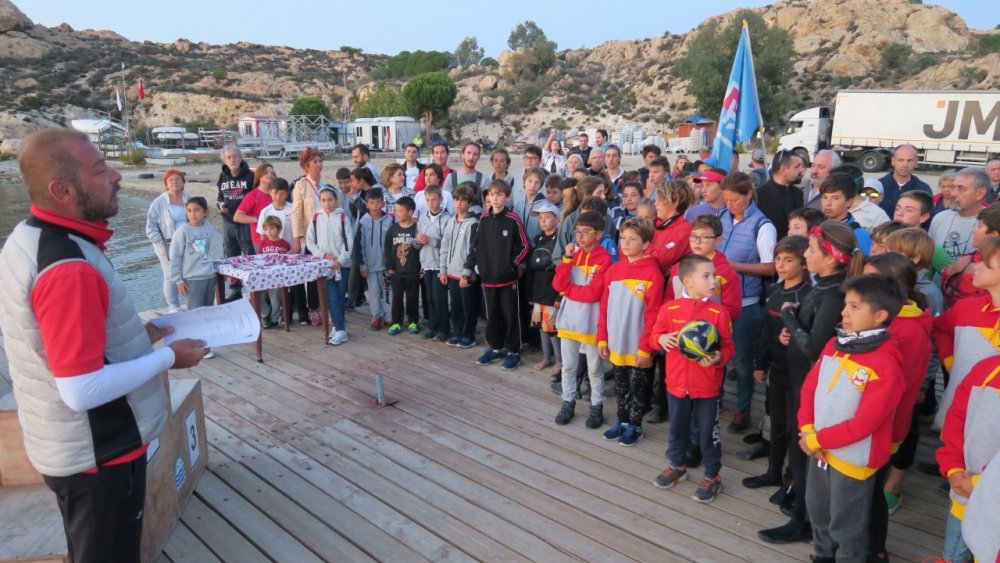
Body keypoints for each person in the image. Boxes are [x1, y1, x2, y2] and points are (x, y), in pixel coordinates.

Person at [0, 128, 206, 562]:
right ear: (63, 191)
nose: (116, 175)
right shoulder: (68, 267)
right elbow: (81, 388)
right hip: (99, 455)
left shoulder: (30, 236)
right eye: (99, 170)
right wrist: (168, 357)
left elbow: (60, 342)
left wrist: (136, 336)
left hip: (70, 446)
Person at [758, 221, 864, 545]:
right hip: (800, 379)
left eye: (812, 250)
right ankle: (801, 507)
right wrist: (791, 329)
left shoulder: (832, 294)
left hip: (811, 384)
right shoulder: (823, 287)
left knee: (804, 449)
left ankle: (804, 520)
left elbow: (816, 348)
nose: (806, 254)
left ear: (831, 257)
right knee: (797, 444)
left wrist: (790, 318)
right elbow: (811, 334)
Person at [798, 274, 904, 563]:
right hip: (819, 450)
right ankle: (823, 555)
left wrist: (816, 439)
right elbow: (810, 388)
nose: (844, 312)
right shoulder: (834, 345)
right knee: (818, 510)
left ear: (880, 316)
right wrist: (807, 429)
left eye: (855, 307)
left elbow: (865, 423)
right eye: (846, 304)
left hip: (853, 460)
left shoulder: (885, 364)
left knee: (847, 524)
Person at [861, 254, 931, 560]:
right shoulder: (891, 320)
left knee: (871, 494)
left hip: (882, 425)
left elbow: (897, 391)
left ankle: (874, 550)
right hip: (871, 422)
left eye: (869, 280)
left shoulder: (906, 330)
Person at [650, 254, 735, 503]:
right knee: (677, 428)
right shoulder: (669, 309)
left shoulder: (719, 312)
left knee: (708, 433)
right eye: (706, 276)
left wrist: (719, 357)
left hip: (707, 386)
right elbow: (654, 336)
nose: (713, 280)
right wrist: (660, 339)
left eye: (714, 275)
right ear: (687, 282)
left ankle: (712, 475)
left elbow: (729, 346)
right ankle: (677, 465)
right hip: (676, 384)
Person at [744, 236, 811, 490]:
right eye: (778, 259)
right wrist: (760, 364)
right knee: (777, 422)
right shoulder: (773, 290)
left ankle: (791, 479)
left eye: (788, 260)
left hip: (798, 372)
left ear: (804, 263)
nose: (781, 265)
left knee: (795, 426)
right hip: (777, 369)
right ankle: (773, 470)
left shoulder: (807, 296)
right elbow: (765, 331)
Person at [718, 172, 776, 434]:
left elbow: (771, 268)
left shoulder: (762, 226)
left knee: (742, 361)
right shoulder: (722, 217)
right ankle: (715, 399)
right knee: (716, 353)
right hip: (717, 300)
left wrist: (735, 266)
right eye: (726, 200)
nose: (730, 205)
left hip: (746, 303)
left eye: (734, 200)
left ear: (748, 196)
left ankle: (743, 410)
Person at [598, 217, 664, 445]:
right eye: (623, 238)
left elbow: (653, 316)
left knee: (638, 387)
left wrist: (646, 349)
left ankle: (635, 425)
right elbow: (604, 307)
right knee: (620, 385)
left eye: (632, 239)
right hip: (617, 341)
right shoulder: (614, 270)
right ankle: (622, 421)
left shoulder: (653, 274)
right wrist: (602, 338)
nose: (625, 243)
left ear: (646, 244)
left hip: (638, 345)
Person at [934, 354, 1000, 563]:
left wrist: (979, 484)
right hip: (965, 492)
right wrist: (953, 468)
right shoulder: (986, 369)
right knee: (954, 555)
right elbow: (956, 420)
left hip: (988, 499)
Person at [552, 210, 614, 426]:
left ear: (599, 234)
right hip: (569, 319)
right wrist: (566, 259)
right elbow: (558, 284)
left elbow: (593, 293)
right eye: (577, 232)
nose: (580, 237)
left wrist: (568, 291)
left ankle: (596, 406)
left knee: (595, 369)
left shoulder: (604, 259)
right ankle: (567, 401)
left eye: (586, 232)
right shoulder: (573, 256)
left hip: (591, 322)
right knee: (568, 366)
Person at [932, 237, 1000, 431]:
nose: (975, 267)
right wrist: (949, 361)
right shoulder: (966, 308)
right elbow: (940, 328)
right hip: (954, 415)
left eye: (985, 263)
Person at [469, 180, 529, 370]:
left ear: (507, 197)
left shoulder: (513, 219)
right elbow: (476, 245)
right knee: (492, 314)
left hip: (508, 278)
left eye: (499, 194)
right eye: (492, 195)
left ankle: (513, 351)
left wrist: (512, 265)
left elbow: (524, 246)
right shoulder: (484, 219)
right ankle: (495, 347)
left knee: (510, 315)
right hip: (488, 278)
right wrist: (479, 266)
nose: (495, 198)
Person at [306, 187, 354, 346]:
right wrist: (323, 255)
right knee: (332, 297)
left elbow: (348, 242)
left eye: (330, 200)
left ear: (336, 200)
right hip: (325, 266)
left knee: (338, 297)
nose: (327, 203)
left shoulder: (342, 217)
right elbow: (310, 241)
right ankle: (340, 328)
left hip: (342, 266)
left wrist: (340, 261)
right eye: (324, 200)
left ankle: (340, 328)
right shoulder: (316, 218)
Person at [291, 148, 334, 324]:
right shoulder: (301, 185)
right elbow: (296, 213)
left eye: (320, 161)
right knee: (312, 273)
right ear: (306, 165)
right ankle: (314, 308)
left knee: (327, 272)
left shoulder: (325, 185)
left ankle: (327, 307)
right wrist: (296, 239)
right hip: (309, 237)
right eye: (314, 161)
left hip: (325, 235)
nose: (318, 164)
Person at [439, 184, 480, 348]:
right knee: (455, 305)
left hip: (465, 275)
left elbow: (474, 251)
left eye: (462, 201)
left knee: (468, 306)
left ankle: (469, 335)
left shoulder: (473, 223)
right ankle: (457, 332)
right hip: (451, 272)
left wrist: (466, 274)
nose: (458, 204)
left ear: (469, 203)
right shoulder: (450, 222)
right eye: (456, 200)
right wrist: (443, 270)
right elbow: (444, 247)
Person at [169, 197, 219, 328]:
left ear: (205, 212)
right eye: (189, 210)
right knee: (195, 314)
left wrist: (217, 270)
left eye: (197, 210)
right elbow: (175, 257)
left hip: (210, 276)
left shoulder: (209, 227)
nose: (193, 214)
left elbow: (213, 251)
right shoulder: (182, 231)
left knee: (208, 312)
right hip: (192, 279)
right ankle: (196, 338)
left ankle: (207, 339)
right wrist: (178, 280)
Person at [145, 169, 189, 313]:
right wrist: (160, 243)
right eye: (171, 180)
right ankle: (173, 306)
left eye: (178, 179)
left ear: (183, 182)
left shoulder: (188, 199)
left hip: (189, 243)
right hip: (167, 244)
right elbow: (150, 227)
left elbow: (199, 217)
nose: (175, 182)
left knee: (190, 272)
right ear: (166, 184)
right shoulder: (158, 203)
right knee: (170, 275)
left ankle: (191, 302)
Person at [526, 202, 562, 375]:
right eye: (541, 218)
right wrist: (530, 294)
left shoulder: (560, 241)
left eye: (547, 217)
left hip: (551, 291)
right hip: (538, 290)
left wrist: (559, 296)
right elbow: (530, 269)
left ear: (557, 219)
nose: (543, 221)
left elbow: (562, 271)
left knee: (552, 329)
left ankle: (560, 361)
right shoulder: (537, 239)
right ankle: (546, 357)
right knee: (541, 326)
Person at [930, 166, 990, 261]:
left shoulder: (991, 223)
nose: (953, 193)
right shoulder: (939, 218)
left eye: (961, 189)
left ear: (980, 193)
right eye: (953, 187)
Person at [417, 185, 452, 342]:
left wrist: (431, 240)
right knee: (429, 297)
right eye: (428, 200)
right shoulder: (422, 218)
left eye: (434, 200)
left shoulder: (447, 219)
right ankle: (433, 326)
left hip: (439, 265)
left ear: (441, 199)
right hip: (426, 264)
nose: (431, 203)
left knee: (440, 298)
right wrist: (418, 241)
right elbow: (417, 243)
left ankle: (444, 329)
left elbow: (447, 243)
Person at [356, 188, 393, 331]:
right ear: (367, 204)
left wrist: (392, 264)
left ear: (383, 203)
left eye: (378, 202)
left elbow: (393, 244)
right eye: (372, 202)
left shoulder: (390, 221)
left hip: (386, 266)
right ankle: (376, 317)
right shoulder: (363, 222)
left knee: (388, 292)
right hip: (370, 266)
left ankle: (389, 317)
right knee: (374, 292)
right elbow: (359, 246)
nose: (375, 205)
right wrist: (362, 266)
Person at [216, 145, 255, 277]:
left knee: (249, 255)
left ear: (240, 157)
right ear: (224, 160)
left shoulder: (250, 176)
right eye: (229, 157)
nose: (232, 159)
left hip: (245, 222)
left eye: (235, 156)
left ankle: (253, 284)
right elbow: (220, 197)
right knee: (230, 256)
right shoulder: (223, 176)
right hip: (228, 221)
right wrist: (220, 206)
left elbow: (255, 197)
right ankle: (235, 286)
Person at [818, 172, 873, 255]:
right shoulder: (816, 226)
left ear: (849, 202)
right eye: (825, 197)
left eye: (835, 198)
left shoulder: (858, 235)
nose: (827, 203)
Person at [757, 150, 805, 239]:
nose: (802, 170)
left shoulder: (798, 193)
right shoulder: (759, 195)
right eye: (797, 166)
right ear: (783, 170)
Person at [877, 144, 933, 216]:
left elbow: (927, 217)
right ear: (893, 161)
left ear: (916, 162)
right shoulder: (878, 186)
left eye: (909, 160)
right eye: (901, 160)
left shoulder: (923, 189)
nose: (905, 165)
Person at [258, 215, 291, 329]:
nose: (269, 231)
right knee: (257, 292)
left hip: (277, 276)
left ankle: (274, 318)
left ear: (279, 229)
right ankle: (265, 313)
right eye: (266, 229)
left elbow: (288, 260)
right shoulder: (263, 243)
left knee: (275, 295)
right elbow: (259, 259)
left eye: (272, 228)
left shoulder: (284, 244)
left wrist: (284, 253)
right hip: (264, 274)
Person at [511, 167, 549, 241]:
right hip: (519, 245)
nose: (533, 185)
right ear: (524, 182)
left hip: (536, 244)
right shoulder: (517, 204)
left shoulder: (545, 206)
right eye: (530, 181)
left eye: (536, 182)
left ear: (541, 185)